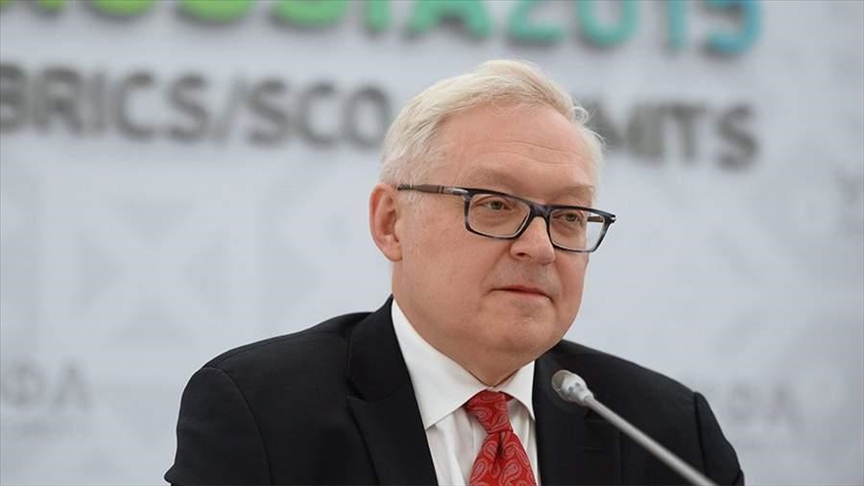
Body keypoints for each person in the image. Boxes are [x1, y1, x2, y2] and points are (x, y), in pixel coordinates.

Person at [165, 60, 743, 485]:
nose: (539, 247)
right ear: (391, 223)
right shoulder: (262, 412)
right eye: (495, 204)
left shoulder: (667, 432)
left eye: (568, 216)